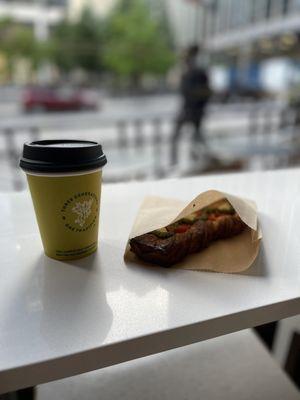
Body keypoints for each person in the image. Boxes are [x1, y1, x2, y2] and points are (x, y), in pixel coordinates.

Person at [171, 44, 211, 165]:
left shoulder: (194, 71)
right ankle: (196, 158)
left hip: (191, 109)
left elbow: (202, 91)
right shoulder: (193, 71)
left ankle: (195, 158)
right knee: (196, 136)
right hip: (192, 109)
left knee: (188, 136)